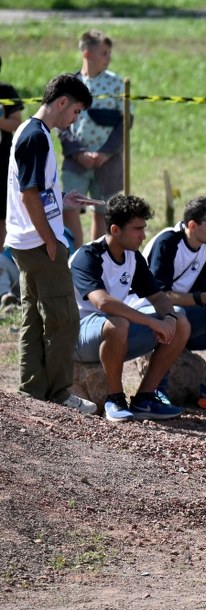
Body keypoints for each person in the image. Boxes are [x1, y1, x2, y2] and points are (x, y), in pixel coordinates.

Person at [5, 73, 97, 414]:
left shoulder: (31, 131)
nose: (74, 119)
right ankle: (59, 394)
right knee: (64, 318)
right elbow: (29, 196)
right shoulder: (35, 137)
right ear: (62, 102)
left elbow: (37, 190)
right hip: (38, 242)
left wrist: (63, 199)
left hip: (27, 240)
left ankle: (33, 388)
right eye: (75, 112)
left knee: (34, 313)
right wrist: (50, 240)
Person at [70, 194, 188, 423]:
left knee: (181, 321)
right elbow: (102, 302)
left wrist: (170, 317)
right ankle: (115, 400)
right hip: (77, 335)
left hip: (111, 331)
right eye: (137, 229)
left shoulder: (132, 257)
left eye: (143, 228)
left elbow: (159, 297)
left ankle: (145, 398)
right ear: (115, 229)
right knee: (118, 322)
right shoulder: (88, 255)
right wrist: (153, 322)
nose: (143, 236)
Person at [137, 196, 206, 410]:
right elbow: (159, 297)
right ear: (193, 225)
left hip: (184, 319)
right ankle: (158, 390)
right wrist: (205, 298)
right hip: (145, 318)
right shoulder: (168, 242)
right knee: (174, 313)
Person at [60, 30, 130, 248]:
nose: (108, 58)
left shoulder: (117, 84)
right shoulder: (70, 84)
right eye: (104, 53)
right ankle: (74, 255)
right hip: (76, 160)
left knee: (103, 210)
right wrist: (77, 152)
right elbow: (60, 123)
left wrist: (106, 152)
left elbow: (126, 122)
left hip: (107, 161)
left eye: (109, 53)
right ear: (87, 54)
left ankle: (97, 256)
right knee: (69, 207)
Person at [1, 54, 24, 250]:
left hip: (3, 162)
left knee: (3, 215)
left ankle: (3, 260)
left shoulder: (6, 91)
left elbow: (16, 122)